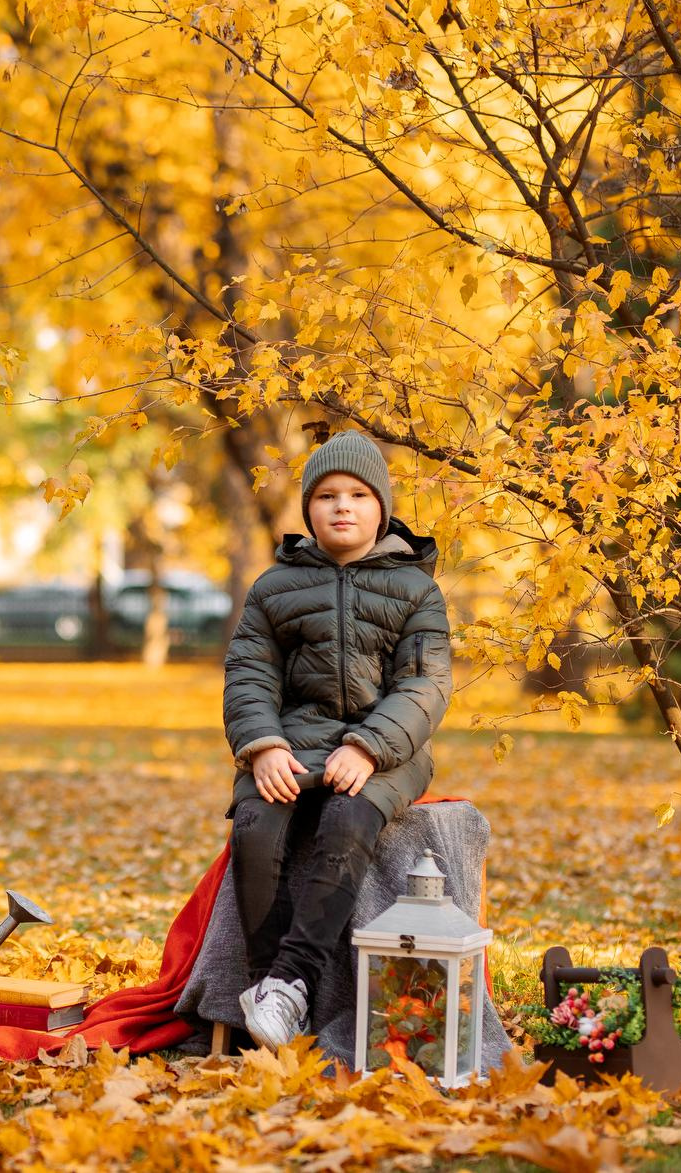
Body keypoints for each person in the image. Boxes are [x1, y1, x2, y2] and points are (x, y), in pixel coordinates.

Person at [224, 430, 453, 1050]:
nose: (342, 506)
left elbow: (425, 686)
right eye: (326, 496)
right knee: (255, 825)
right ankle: (267, 987)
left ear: (382, 506)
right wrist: (264, 745)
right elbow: (249, 674)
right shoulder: (274, 589)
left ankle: (292, 980)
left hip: (387, 750)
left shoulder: (417, 591)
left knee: (346, 823)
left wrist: (368, 747)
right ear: (308, 510)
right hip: (292, 744)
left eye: (357, 494)